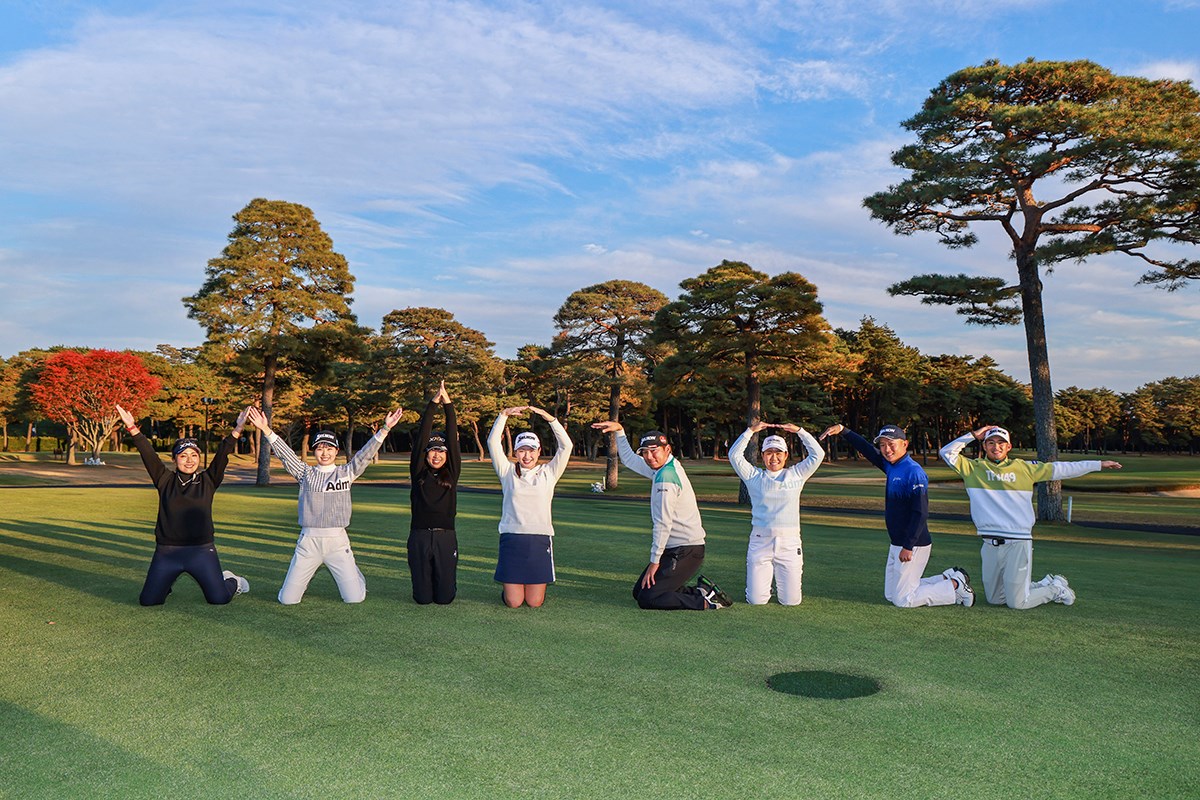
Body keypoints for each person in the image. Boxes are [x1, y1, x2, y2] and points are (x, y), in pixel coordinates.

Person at [940, 425, 1121, 609]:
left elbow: (1061, 469)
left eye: (1002, 443)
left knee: (1018, 603)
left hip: (1018, 541)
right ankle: (1045, 584)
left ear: (1009, 447)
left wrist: (1098, 464)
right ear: (984, 446)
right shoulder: (972, 468)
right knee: (995, 599)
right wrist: (973, 435)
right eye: (991, 443)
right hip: (989, 543)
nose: (996, 447)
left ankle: (1057, 590)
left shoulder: (1024, 468)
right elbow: (946, 452)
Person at [246, 405, 403, 605]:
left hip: (338, 543)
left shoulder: (346, 472)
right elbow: (287, 456)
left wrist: (385, 429)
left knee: (354, 598)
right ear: (314, 451)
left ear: (336, 450)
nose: (324, 453)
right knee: (288, 600)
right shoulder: (305, 474)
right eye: (320, 448)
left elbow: (364, 455)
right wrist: (267, 430)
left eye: (329, 448)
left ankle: (355, 575)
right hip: (308, 544)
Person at [820, 423, 974, 608]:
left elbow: (920, 513)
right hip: (897, 542)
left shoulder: (914, 472)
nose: (887, 449)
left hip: (914, 543)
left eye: (892, 444)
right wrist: (844, 430)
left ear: (905, 444)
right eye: (883, 445)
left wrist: (908, 546)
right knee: (891, 595)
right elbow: (867, 450)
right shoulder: (892, 466)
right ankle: (948, 577)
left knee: (903, 600)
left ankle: (956, 586)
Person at [116, 403, 251, 606]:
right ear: (175, 459)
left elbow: (222, 455)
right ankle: (164, 583)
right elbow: (148, 455)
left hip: (201, 552)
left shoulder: (208, 480)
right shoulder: (164, 479)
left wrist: (238, 428)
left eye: (194, 455)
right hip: (167, 552)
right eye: (183, 456)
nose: (189, 460)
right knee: (148, 601)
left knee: (219, 599)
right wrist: (132, 428)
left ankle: (231, 580)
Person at [591, 421, 731, 610]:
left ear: (667, 449)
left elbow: (662, 524)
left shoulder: (666, 478)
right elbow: (631, 460)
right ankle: (702, 591)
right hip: (676, 549)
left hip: (686, 550)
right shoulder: (665, 466)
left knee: (648, 599)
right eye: (645, 452)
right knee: (639, 591)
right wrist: (620, 431)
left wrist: (654, 562)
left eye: (654, 451)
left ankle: (707, 603)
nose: (649, 457)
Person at [728, 421, 825, 605]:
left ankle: (778, 583)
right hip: (760, 541)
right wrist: (750, 431)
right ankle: (763, 585)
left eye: (778, 453)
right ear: (762, 456)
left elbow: (817, 454)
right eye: (769, 453)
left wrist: (799, 431)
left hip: (789, 543)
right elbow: (734, 455)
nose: (774, 458)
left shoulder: (796, 474)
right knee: (756, 600)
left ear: (786, 455)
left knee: (791, 601)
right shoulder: (754, 476)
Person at [488, 405, 573, 608]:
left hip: (539, 539)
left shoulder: (549, 473)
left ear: (538, 451)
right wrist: (503, 416)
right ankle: (511, 589)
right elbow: (492, 442)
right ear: (515, 452)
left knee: (534, 602)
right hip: (512, 538)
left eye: (531, 451)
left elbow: (566, 446)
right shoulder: (507, 472)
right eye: (522, 451)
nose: (527, 456)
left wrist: (551, 419)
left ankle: (526, 585)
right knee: (514, 602)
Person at [408, 381, 461, 605]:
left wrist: (448, 404)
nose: (436, 456)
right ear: (426, 454)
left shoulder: (453, 473)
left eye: (441, 452)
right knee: (422, 599)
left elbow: (451, 436)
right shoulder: (418, 472)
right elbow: (422, 437)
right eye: (432, 452)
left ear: (447, 455)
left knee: (445, 599)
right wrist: (432, 405)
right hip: (419, 536)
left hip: (445, 537)